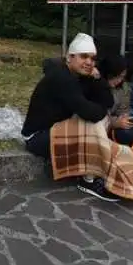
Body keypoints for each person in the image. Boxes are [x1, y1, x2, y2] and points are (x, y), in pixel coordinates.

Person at [21, 33, 119, 202]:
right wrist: (100, 110)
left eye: (92, 58)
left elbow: (108, 102)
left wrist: (97, 79)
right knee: (92, 124)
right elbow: (90, 112)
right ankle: (88, 180)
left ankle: (95, 173)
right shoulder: (61, 78)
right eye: (83, 57)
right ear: (69, 57)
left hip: (56, 130)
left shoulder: (82, 76)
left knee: (95, 121)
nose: (89, 62)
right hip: (37, 138)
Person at [98, 55, 133, 147]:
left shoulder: (124, 87)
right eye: (116, 76)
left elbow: (123, 110)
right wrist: (113, 123)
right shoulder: (95, 83)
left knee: (130, 131)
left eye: (122, 77)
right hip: (95, 125)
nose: (119, 80)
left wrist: (124, 119)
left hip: (112, 122)